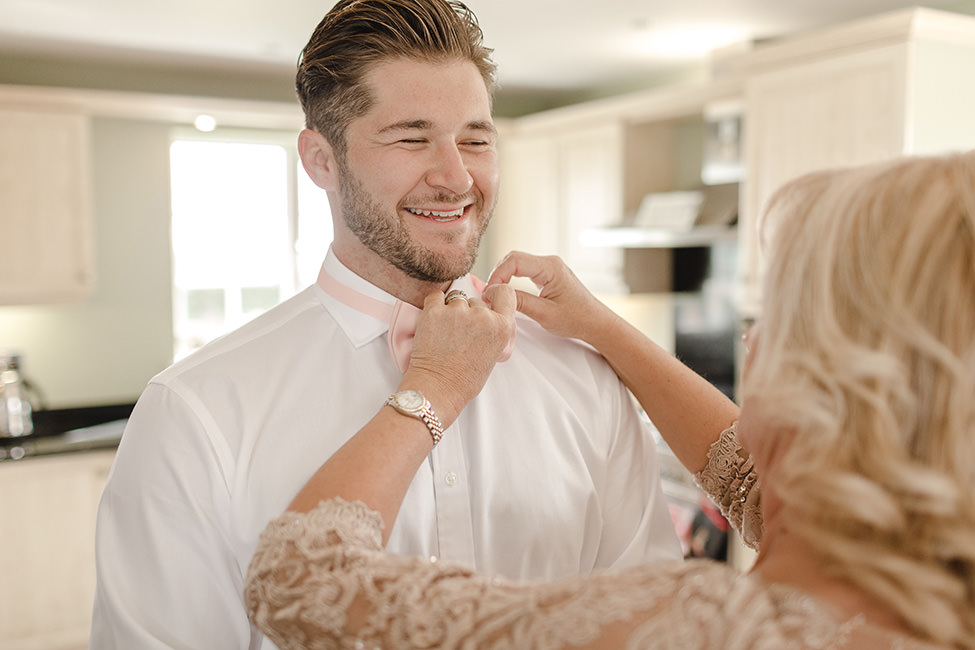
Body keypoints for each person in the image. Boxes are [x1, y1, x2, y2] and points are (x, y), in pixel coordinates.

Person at [90, 1, 682, 647]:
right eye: (410, 137)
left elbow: (648, 621)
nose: (457, 177)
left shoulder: (585, 376)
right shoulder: (195, 413)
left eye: (476, 140)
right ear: (320, 161)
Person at [244, 151, 975, 649]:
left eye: (774, 322)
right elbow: (750, 478)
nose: (749, 347)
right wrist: (598, 326)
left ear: (838, 388)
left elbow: (299, 577)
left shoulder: (700, 627)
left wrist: (432, 386)